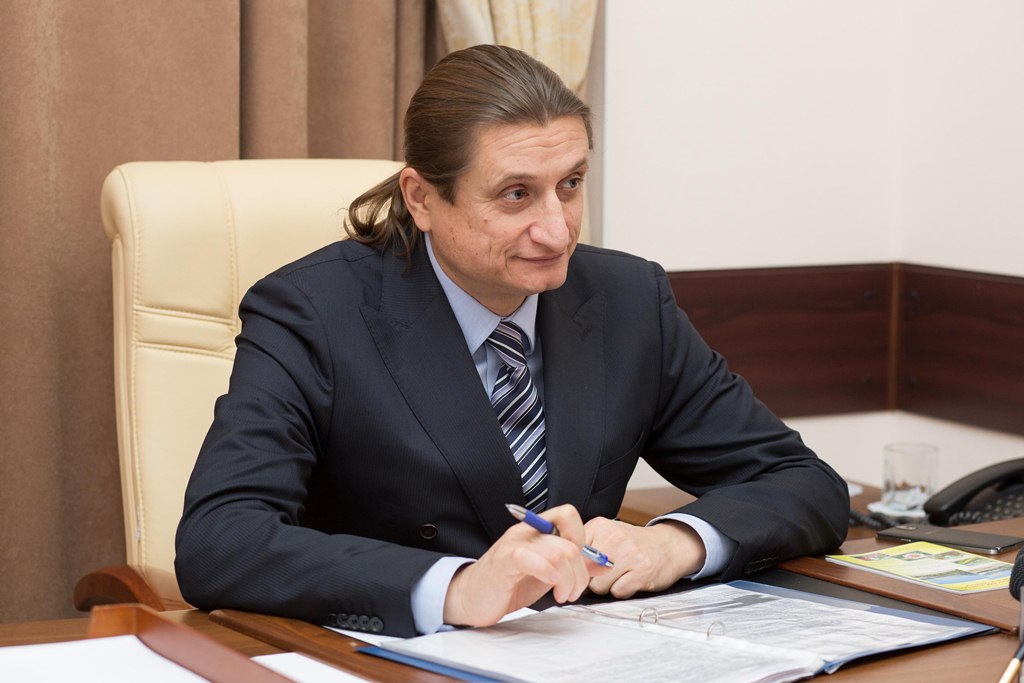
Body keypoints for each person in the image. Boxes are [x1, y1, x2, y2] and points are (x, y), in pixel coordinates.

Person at [175, 44, 849, 638]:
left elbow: (803, 483)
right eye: (516, 194)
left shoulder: (627, 301)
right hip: (393, 655)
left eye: (571, 185)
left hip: (586, 651)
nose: (557, 230)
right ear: (421, 198)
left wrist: (676, 542)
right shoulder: (312, 312)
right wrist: (457, 587)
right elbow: (220, 539)